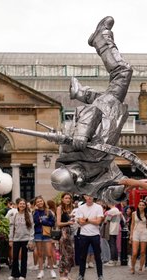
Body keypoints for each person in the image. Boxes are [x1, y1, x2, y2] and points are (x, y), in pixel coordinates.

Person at [48, 16, 130, 204]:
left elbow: (90, 113)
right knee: (115, 83)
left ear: (68, 170)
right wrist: (118, 192)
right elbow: (103, 194)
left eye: (75, 174)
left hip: (105, 114)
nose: (82, 176)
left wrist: (82, 135)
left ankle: (101, 38)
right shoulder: (83, 183)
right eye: (79, 179)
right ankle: (82, 92)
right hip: (111, 116)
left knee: (123, 72)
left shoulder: (70, 150)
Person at [74, 194, 105, 280]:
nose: (90, 197)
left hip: (95, 234)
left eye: (91, 195)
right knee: (82, 256)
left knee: (98, 256)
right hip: (84, 234)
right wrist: (92, 220)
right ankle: (81, 275)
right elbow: (80, 222)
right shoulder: (81, 208)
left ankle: (100, 276)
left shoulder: (98, 207)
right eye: (88, 196)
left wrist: (86, 219)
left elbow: (98, 222)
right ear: (84, 197)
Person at [7, 198, 34, 280]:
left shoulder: (29, 215)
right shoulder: (14, 215)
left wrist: (30, 240)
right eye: (20, 204)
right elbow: (11, 228)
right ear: (17, 205)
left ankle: (23, 274)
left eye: (24, 204)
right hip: (16, 239)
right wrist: (10, 239)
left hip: (25, 239)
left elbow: (32, 228)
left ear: (25, 205)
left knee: (24, 257)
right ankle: (14, 274)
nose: (22, 205)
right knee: (14, 257)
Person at [32, 196, 56, 279]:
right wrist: (36, 211)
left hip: (47, 234)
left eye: (40, 201)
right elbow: (36, 221)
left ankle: (52, 270)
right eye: (37, 202)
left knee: (49, 253)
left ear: (43, 202)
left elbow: (52, 223)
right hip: (38, 233)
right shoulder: (35, 212)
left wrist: (44, 222)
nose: (39, 203)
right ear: (35, 204)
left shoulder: (48, 212)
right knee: (40, 253)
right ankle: (41, 271)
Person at [56, 193, 75, 280]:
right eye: (66, 198)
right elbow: (58, 223)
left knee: (70, 254)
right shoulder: (60, 208)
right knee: (64, 254)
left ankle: (67, 274)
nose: (68, 199)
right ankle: (62, 276)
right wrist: (68, 222)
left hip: (71, 233)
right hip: (64, 233)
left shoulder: (71, 209)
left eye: (69, 198)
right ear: (62, 199)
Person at [130, 200, 147, 274]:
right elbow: (132, 224)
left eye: (143, 205)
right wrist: (131, 235)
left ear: (145, 206)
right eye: (140, 205)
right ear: (138, 206)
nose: (141, 206)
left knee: (142, 252)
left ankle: (140, 267)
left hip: (144, 233)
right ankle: (132, 267)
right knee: (135, 252)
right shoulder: (134, 214)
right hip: (136, 232)